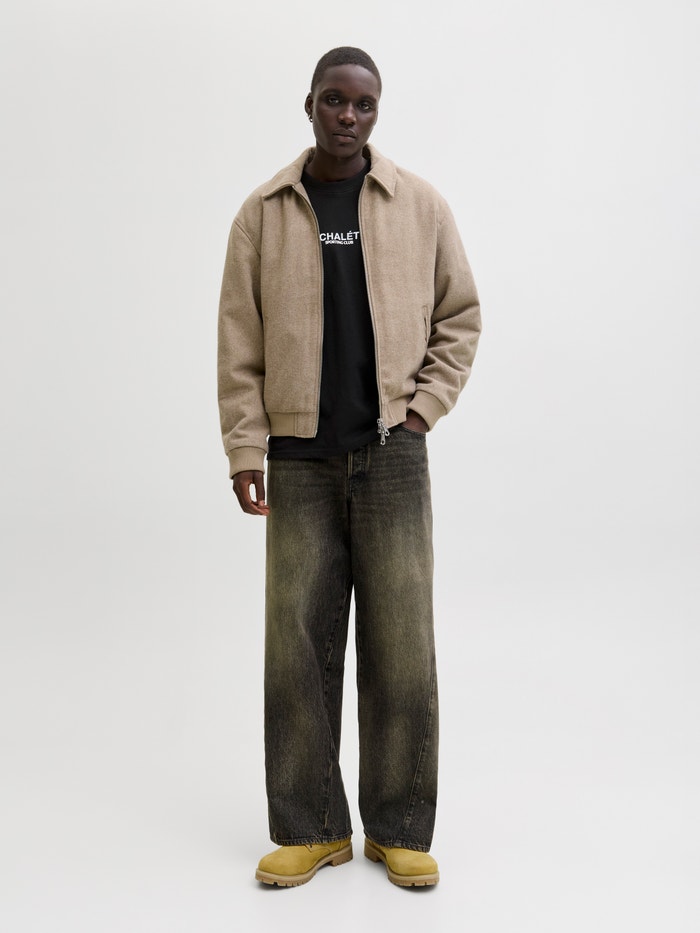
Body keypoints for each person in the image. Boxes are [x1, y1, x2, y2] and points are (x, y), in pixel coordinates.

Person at [218, 46, 481, 887]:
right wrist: (244, 446)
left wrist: (422, 409)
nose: (348, 116)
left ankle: (399, 827)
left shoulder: (419, 205)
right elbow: (239, 344)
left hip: (392, 456)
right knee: (296, 646)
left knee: (401, 644)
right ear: (309, 105)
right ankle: (312, 828)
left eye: (364, 104)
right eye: (334, 100)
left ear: (377, 112)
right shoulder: (263, 213)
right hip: (298, 460)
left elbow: (460, 317)